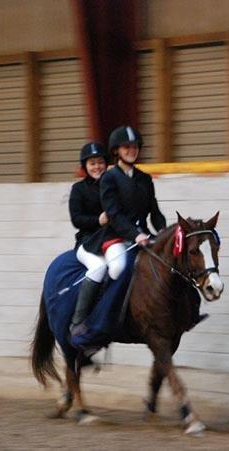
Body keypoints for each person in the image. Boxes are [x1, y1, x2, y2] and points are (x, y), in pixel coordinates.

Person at [70, 125, 166, 346]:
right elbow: (113, 214)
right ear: (117, 151)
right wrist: (136, 235)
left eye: (134, 147)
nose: (131, 150)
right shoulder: (109, 178)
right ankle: (102, 316)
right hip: (118, 236)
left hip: (143, 235)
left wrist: (161, 229)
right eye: (126, 147)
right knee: (117, 267)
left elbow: (155, 211)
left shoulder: (144, 178)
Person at [68, 141, 109, 336]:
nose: (97, 167)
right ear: (85, 166)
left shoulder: (114, 185)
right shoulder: (78, 189)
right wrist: (98, 220)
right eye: (92, 163)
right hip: (88, 241)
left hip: (114, 238)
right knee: (99, 268)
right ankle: (78, 321)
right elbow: (77, 219)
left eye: (100, 162)